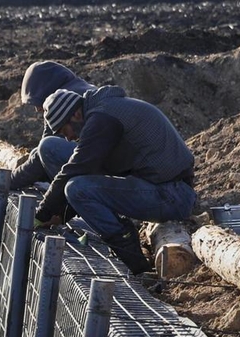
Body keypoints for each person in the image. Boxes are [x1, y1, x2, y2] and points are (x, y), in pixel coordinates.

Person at [12, 87, 196, 274]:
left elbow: (77, 169)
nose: (68, 138)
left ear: (75, 114)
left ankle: (137, 266)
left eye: (64, 130)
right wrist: (61, 214)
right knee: (57, 156)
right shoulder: (103, 110)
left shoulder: (102, 120)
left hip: (172, 196)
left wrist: (40, 215)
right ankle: (111, 230)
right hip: (164, 187)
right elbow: (87, 168)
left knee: (77, 189)